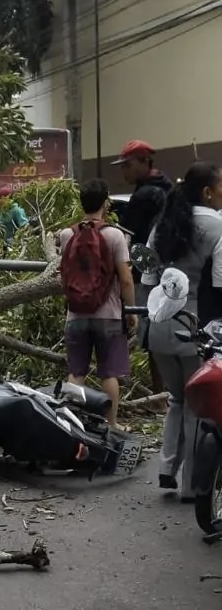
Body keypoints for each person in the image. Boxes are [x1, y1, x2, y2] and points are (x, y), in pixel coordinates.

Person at [142, 161, 222, 499]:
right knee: (197, 408)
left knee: (176, 399)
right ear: (207, 191)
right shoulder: (218, 226)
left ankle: (166, 467)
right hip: (196, 330)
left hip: (158, 327)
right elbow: (220, 286)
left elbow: (146, 278)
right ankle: (192, 485)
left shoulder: (162, 222)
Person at [59, 178, 137, 427]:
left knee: (76, 373)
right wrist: (131, 310)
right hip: (109, 314)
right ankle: (111, 424)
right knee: (109, 373)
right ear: (106, 203)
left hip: (76, 314)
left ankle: (72, 425)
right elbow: (125, 279)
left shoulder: (66, 234)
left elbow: (65, 274)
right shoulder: (115, 235)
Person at [112, 139, 173, 400]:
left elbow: (128, 236)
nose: (123, 171)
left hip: (146, 273)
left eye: (127, 165)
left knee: (152, 336)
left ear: (143, 163)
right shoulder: (167, 188)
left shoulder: (144, 195)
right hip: (172, 272)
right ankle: (171, 393)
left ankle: (160, 397)